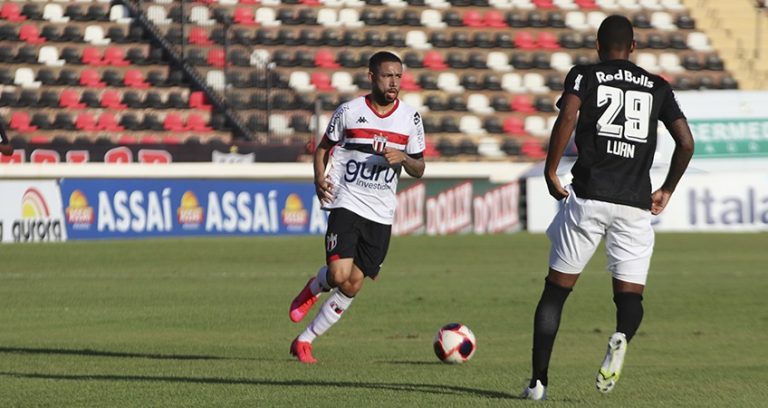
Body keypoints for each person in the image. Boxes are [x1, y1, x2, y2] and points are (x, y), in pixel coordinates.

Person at [521, 15, 695, 400]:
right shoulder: (657, 86)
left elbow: (568, 114)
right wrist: (666, 189)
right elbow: (686, 142)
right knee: (630, 297)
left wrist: (551, 170)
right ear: (633, 47)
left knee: (555, 292)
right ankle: (620, 336)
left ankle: (537, 383)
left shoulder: (585, 75)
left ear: (598, 46)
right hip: (634, 205)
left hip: (587, 198)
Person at [288, 51, 426, 364]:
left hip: (381, 212)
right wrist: (318, 178)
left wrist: (403, 158)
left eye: (398, 76)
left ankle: (305, 341)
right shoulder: (349, 112)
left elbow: (419, 167)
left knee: (353, 283)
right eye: (387, 76)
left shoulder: (410, 118)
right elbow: (323, 148)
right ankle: (313, 287)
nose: (393, 83)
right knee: (338, 275)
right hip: (347, 200)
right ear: (372, 76)